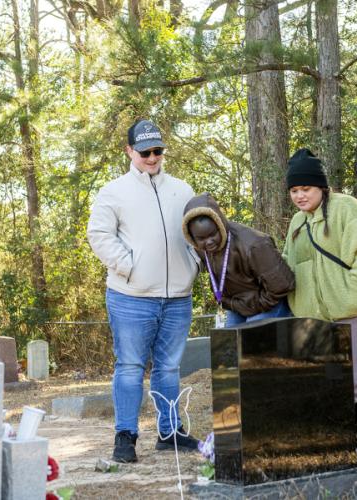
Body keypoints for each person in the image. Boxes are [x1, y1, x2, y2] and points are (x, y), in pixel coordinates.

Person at [87, 119, 200, 463]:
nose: (153, 158)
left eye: (158, 151)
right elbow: (99, 236)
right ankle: (126, 436)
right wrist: (129, 267)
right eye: (145, 151)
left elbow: (198, 233)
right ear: (129, 151)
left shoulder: (182, 189)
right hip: (130, 298)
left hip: (177, 297)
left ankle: (170, 432)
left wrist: (192, 265)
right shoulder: (113, 191)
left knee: (168, 369)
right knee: (131, 367)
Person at [281, 148, 357, 459]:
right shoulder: (297, 223)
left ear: (322, 188)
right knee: (330, 388)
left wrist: (353, 294)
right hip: (319, 322)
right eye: (294, 190)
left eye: (306, 189)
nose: (300, 196)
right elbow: (288, 265)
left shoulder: (346, 208)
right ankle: (340, 453)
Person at [182, 193, 294, 327]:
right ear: (192, 237)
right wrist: (232, 304)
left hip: (267, 304)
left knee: (249, 343)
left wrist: (255, 305)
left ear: (220, 225)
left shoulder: (255, 245)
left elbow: (282, 285)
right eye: (201, 238)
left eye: (212, 234)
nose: (209, 242)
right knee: (229, 345)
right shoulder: (200, 249)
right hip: (238, 306)